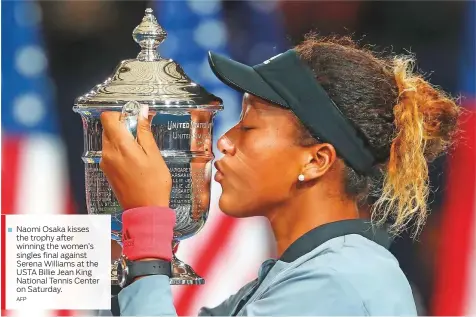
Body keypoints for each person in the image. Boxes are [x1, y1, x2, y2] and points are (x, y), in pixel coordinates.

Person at [98, 35, 460, 316]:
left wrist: (147, 221)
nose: (224, 141)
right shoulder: (307, 272)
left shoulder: (339, 280)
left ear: (316, 161)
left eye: (250, 127)